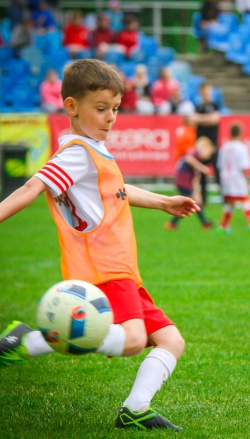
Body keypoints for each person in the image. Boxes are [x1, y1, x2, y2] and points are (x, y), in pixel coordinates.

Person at [0, 59, 200, 430]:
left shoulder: (92, 149)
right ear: (72, 106)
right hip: (104, 268)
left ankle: (135, 408)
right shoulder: (76, 153)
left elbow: (117, 192)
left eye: (116, 110)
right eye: (101, 108)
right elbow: (31, 187)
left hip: (122, 268)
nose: (111, 118)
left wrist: (163, 202)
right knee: (133, 339)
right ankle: (32, 340)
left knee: (170, 340)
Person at [217, 122, 250, 234]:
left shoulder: (224, 147)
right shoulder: (242, 147)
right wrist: (247, 179)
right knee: (245, 199)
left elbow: (220, 165)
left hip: (226, 177)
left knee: (229, 202)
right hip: (237, 177)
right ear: (241, 133)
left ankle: (223, 225)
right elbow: (244, 166)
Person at [166, 136, 215, 230]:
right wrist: (201, 167)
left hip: (186, 182)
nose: (208, 157)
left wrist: (197, 191)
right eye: (209, 153)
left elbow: (196, 177)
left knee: (192, 203)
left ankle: (204, 223)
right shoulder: (195, 153)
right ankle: (172, 223)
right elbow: (188, 159)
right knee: (186, 203)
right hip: (183, 181)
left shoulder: (197, 158)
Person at [194, 81, 222, 203]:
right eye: (204, 91)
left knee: (218, 172)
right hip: (201, 146)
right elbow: (193, 120)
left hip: (213, 145)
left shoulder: (215, 105)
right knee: (202, 175)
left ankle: (224, 197)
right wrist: (207, 119)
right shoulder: (198, 107)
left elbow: (215, 120)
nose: (206, 93)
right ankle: (204, 199)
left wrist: (201, 119)